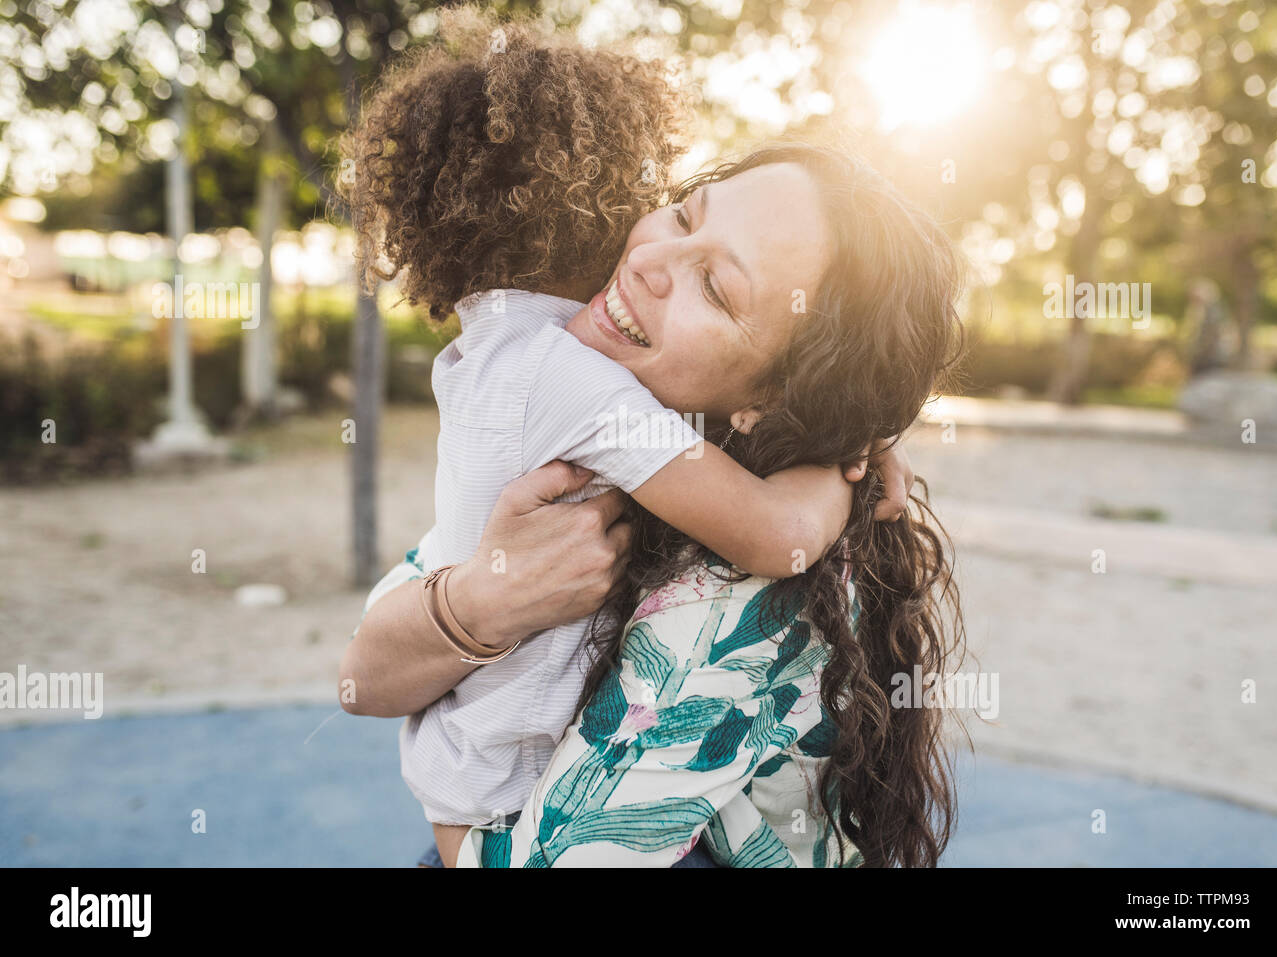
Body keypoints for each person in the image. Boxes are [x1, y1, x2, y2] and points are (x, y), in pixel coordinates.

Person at [338, 7, 910, 867]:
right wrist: (838, 460)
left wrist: (854, 435)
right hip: (489, 810)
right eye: (682, 215)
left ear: (780, 390)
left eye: (716, 287)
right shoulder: (572, 383)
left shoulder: (507, 359)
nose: (646, 258)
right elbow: (364, 669)